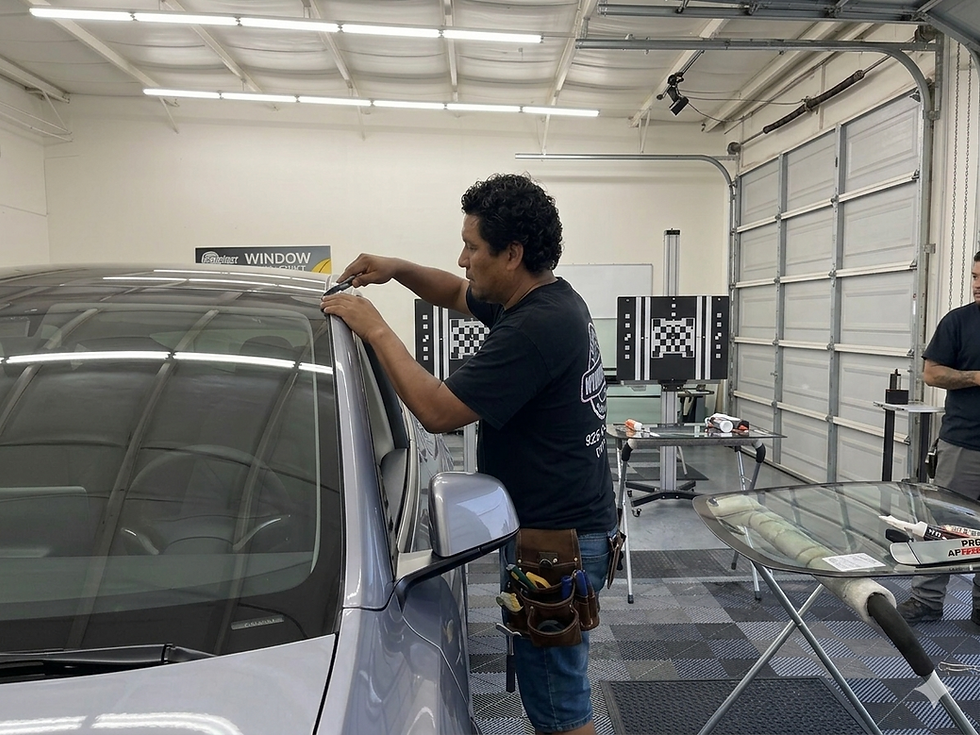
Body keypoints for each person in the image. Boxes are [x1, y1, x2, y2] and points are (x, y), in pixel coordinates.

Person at [321, 173, 618, 735]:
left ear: (512, 253)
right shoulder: (545, 297)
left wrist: (376, 328)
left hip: (556, 544)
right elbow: (455, 293)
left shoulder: (534, 329)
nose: (462, 259)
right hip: (560, 529)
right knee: (552, 687)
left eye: (472, 247)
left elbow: (435, 409)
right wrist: (398, 268)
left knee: (559, 703)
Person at [896, 251, 980, 626]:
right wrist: (975, 377)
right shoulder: (959, 323)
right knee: (945, 525)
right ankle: (926, 600)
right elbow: (931, 374)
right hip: (963, 445)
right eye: (975, 276)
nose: (977, 285)